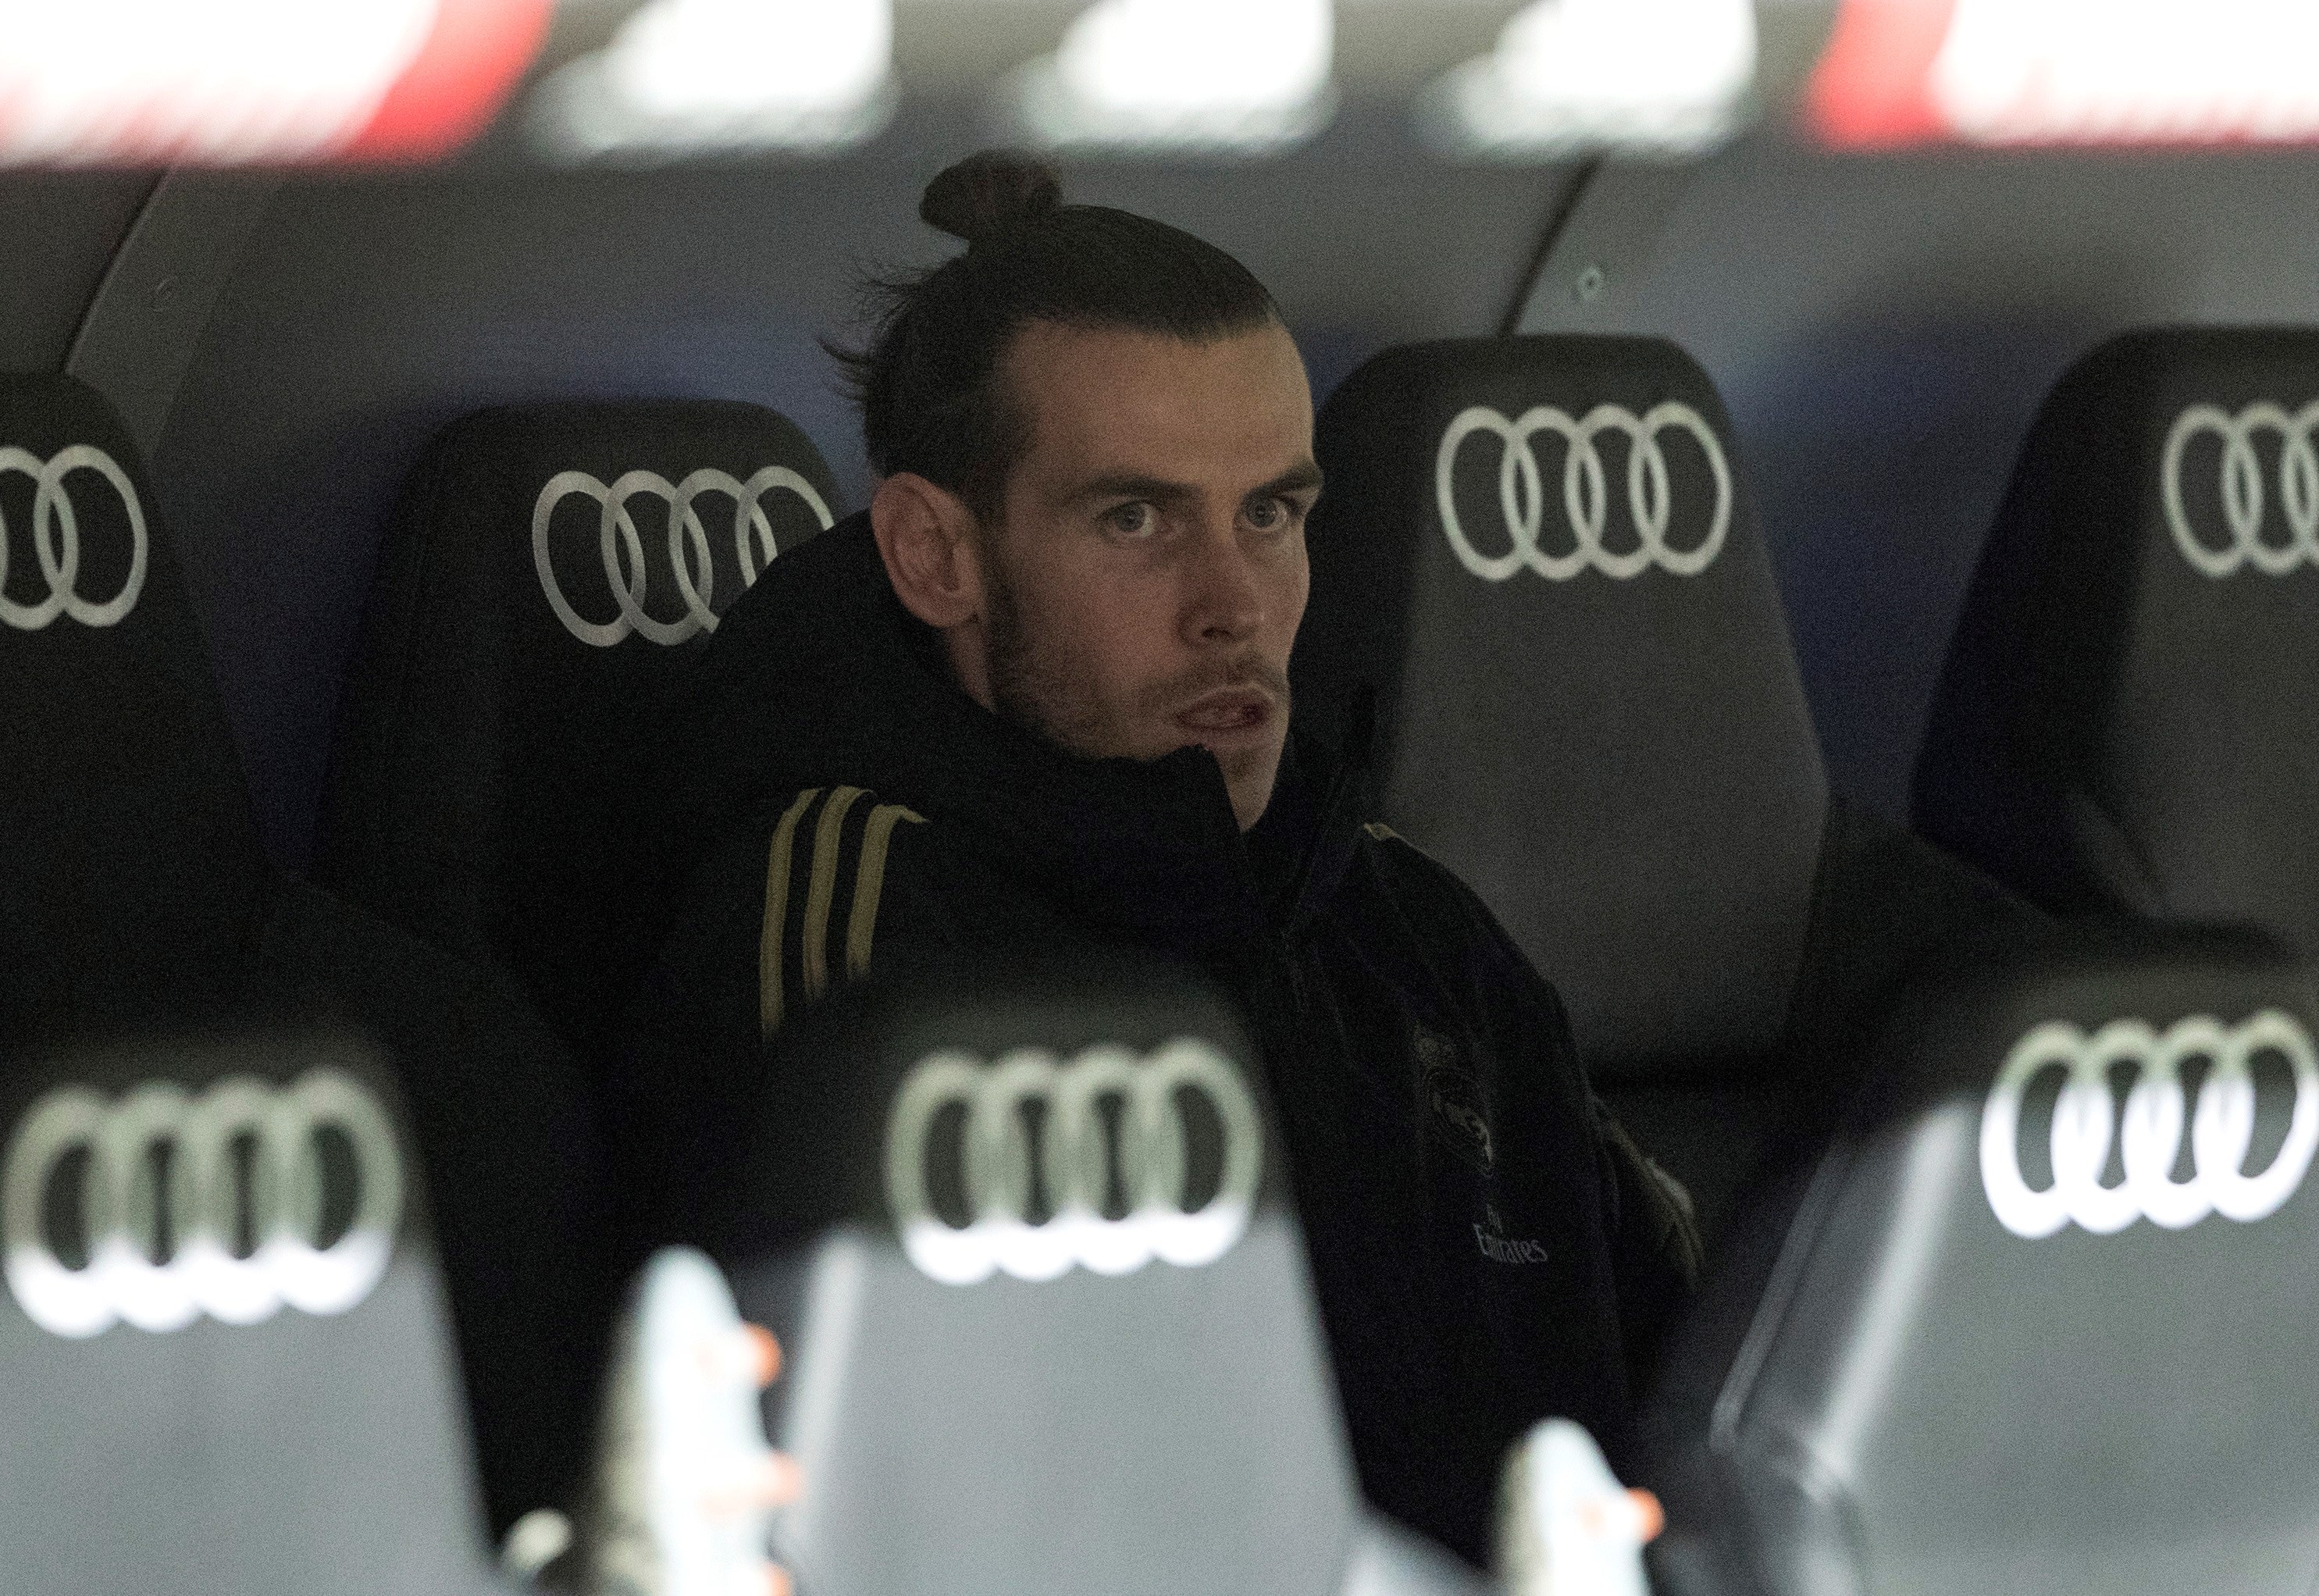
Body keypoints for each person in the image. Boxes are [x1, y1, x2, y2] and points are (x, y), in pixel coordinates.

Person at [616, 150, 1700, 1565]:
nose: (1232, 607)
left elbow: (1688, 1409)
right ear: (936, 557)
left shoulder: (1418, 936)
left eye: (1272, 513)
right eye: (1133, 519)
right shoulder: (857, 939)